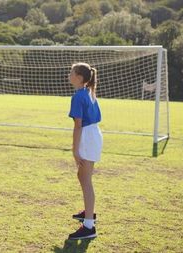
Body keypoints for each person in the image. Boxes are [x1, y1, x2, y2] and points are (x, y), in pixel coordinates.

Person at [67, 62, 102, 240]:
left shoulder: (79, 96)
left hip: (87, 136)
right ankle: (88, 213)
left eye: (71, 72)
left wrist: (75, 150)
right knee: (82, 176)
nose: (69, 74)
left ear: (79, 78)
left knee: (86, 180)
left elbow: (78, 126)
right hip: (93, 134)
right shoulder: (88, 91)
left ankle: (89, 226)